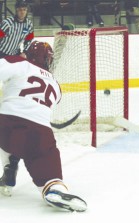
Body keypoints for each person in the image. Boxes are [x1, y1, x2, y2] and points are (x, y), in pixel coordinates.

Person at [0, 41, 87, 212]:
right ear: (48, 61)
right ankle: (54, 188)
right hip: (38, 131)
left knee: (11, 138)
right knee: (44, 159)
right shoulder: (56, 84)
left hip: (5, 124)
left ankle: (10, 166)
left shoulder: (20, 62)